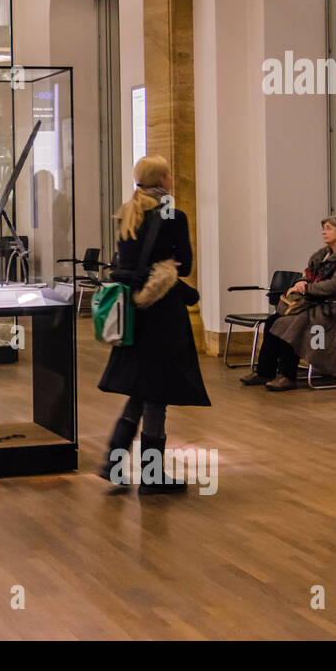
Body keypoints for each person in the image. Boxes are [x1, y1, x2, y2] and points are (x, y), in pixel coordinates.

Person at [97, 155, 209, 495]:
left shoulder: (127, 213)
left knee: (141, 388)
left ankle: (114, 464)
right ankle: (152, 476)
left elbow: (127, 262)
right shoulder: (174, 214)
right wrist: (169, 263)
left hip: (134, 312)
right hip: (162, 313)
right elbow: (185, 264)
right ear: (162, 177)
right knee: (156, 391)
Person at [240, 215, 336, 390]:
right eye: (324, 228)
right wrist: (301, 281)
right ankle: (265, 372)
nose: (324, 232)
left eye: (329, 228)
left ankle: (287, 375)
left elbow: (335, 285)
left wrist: (306, 289)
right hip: (317, 305)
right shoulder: (324, 255)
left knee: (290, 323)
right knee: (273, 320)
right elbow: (308, 273)